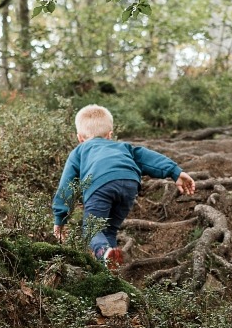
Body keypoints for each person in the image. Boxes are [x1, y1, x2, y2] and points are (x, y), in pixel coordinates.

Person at [52, 104, 195, 268]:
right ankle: (110, 265)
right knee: (109, 230)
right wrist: (175, 172)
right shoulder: (123, 147)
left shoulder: (80, 150)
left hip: (100, 185)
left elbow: (67, 185)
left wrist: (60, 218)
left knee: (92, 230)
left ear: (80, 138)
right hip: (129, 184)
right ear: (109, 135)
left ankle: (105, 254)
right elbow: (148, 158)